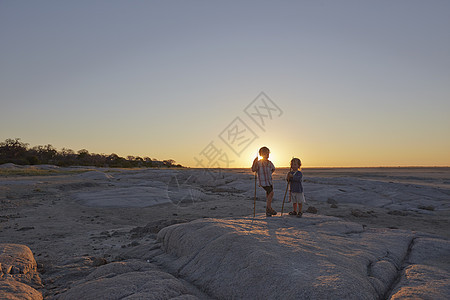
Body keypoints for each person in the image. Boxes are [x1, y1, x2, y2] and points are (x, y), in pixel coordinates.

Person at [252, 146, 277, 217]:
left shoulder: (270, 163)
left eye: (268, 153)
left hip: (269, 181)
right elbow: (253, 169)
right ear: (261, 154)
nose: (267, 155)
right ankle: (269, 208)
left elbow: (273, 169)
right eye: (265, 153)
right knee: (271, 193)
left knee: (269, 194)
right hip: (263, 182)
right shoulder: (259, 163)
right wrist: (254, 162)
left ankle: (268, 211)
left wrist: (269, 174)